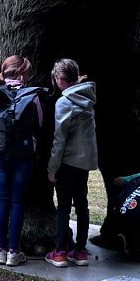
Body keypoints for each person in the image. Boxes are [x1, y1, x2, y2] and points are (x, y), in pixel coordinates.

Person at [0, 55, 43, 267]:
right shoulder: (32, 96)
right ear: (23, 73)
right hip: (24, 155)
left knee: (2, 200)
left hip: (0, 154)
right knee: (17, 201)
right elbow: (39, 125)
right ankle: (14, 251)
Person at [45, 59, 98, 268]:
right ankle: (81, 251)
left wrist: (52, 168)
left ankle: (59, 252)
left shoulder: (64, 102)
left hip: (66, 162)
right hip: (84, 163)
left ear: (59, 80)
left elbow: (60, 138)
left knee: (64, 207)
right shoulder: (88, 98)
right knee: (82, 205)